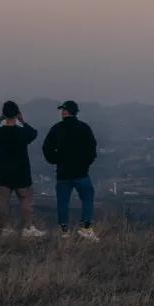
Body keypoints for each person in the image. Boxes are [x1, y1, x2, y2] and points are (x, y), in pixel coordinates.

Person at [0, 101, 44, 237]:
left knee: (3, 203)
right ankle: (28, 228)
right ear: (17, 114)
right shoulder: (22, 133)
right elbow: (33, 133)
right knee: (25, 201)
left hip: (3, 173)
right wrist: (23, 121)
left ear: (4, 114)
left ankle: (2, 229)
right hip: (21, 173)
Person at [42, 100, 100, 241]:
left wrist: (56, 160)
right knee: (87, 198)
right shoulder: (84, 128)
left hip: (63, 173)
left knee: (63, 202)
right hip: (81, 172)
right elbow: (92, 149)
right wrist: (86, 163)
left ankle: (64, 231)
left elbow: (46, 148)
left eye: (64, 110)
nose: (62, 112)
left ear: (67, 112)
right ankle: (85, 227)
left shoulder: (57, 128)